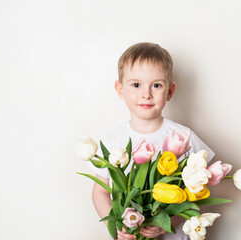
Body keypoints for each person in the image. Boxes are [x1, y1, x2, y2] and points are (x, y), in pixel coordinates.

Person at [89, 42, 215, 240]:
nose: (146, 94)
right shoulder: (112, 141)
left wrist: (168, 222)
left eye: (156, 85)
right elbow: (100, 192)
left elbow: (201, 189)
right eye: (136, 85)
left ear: (170, 91)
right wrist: (112, 223)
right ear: (120, 90)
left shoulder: (183, 137)